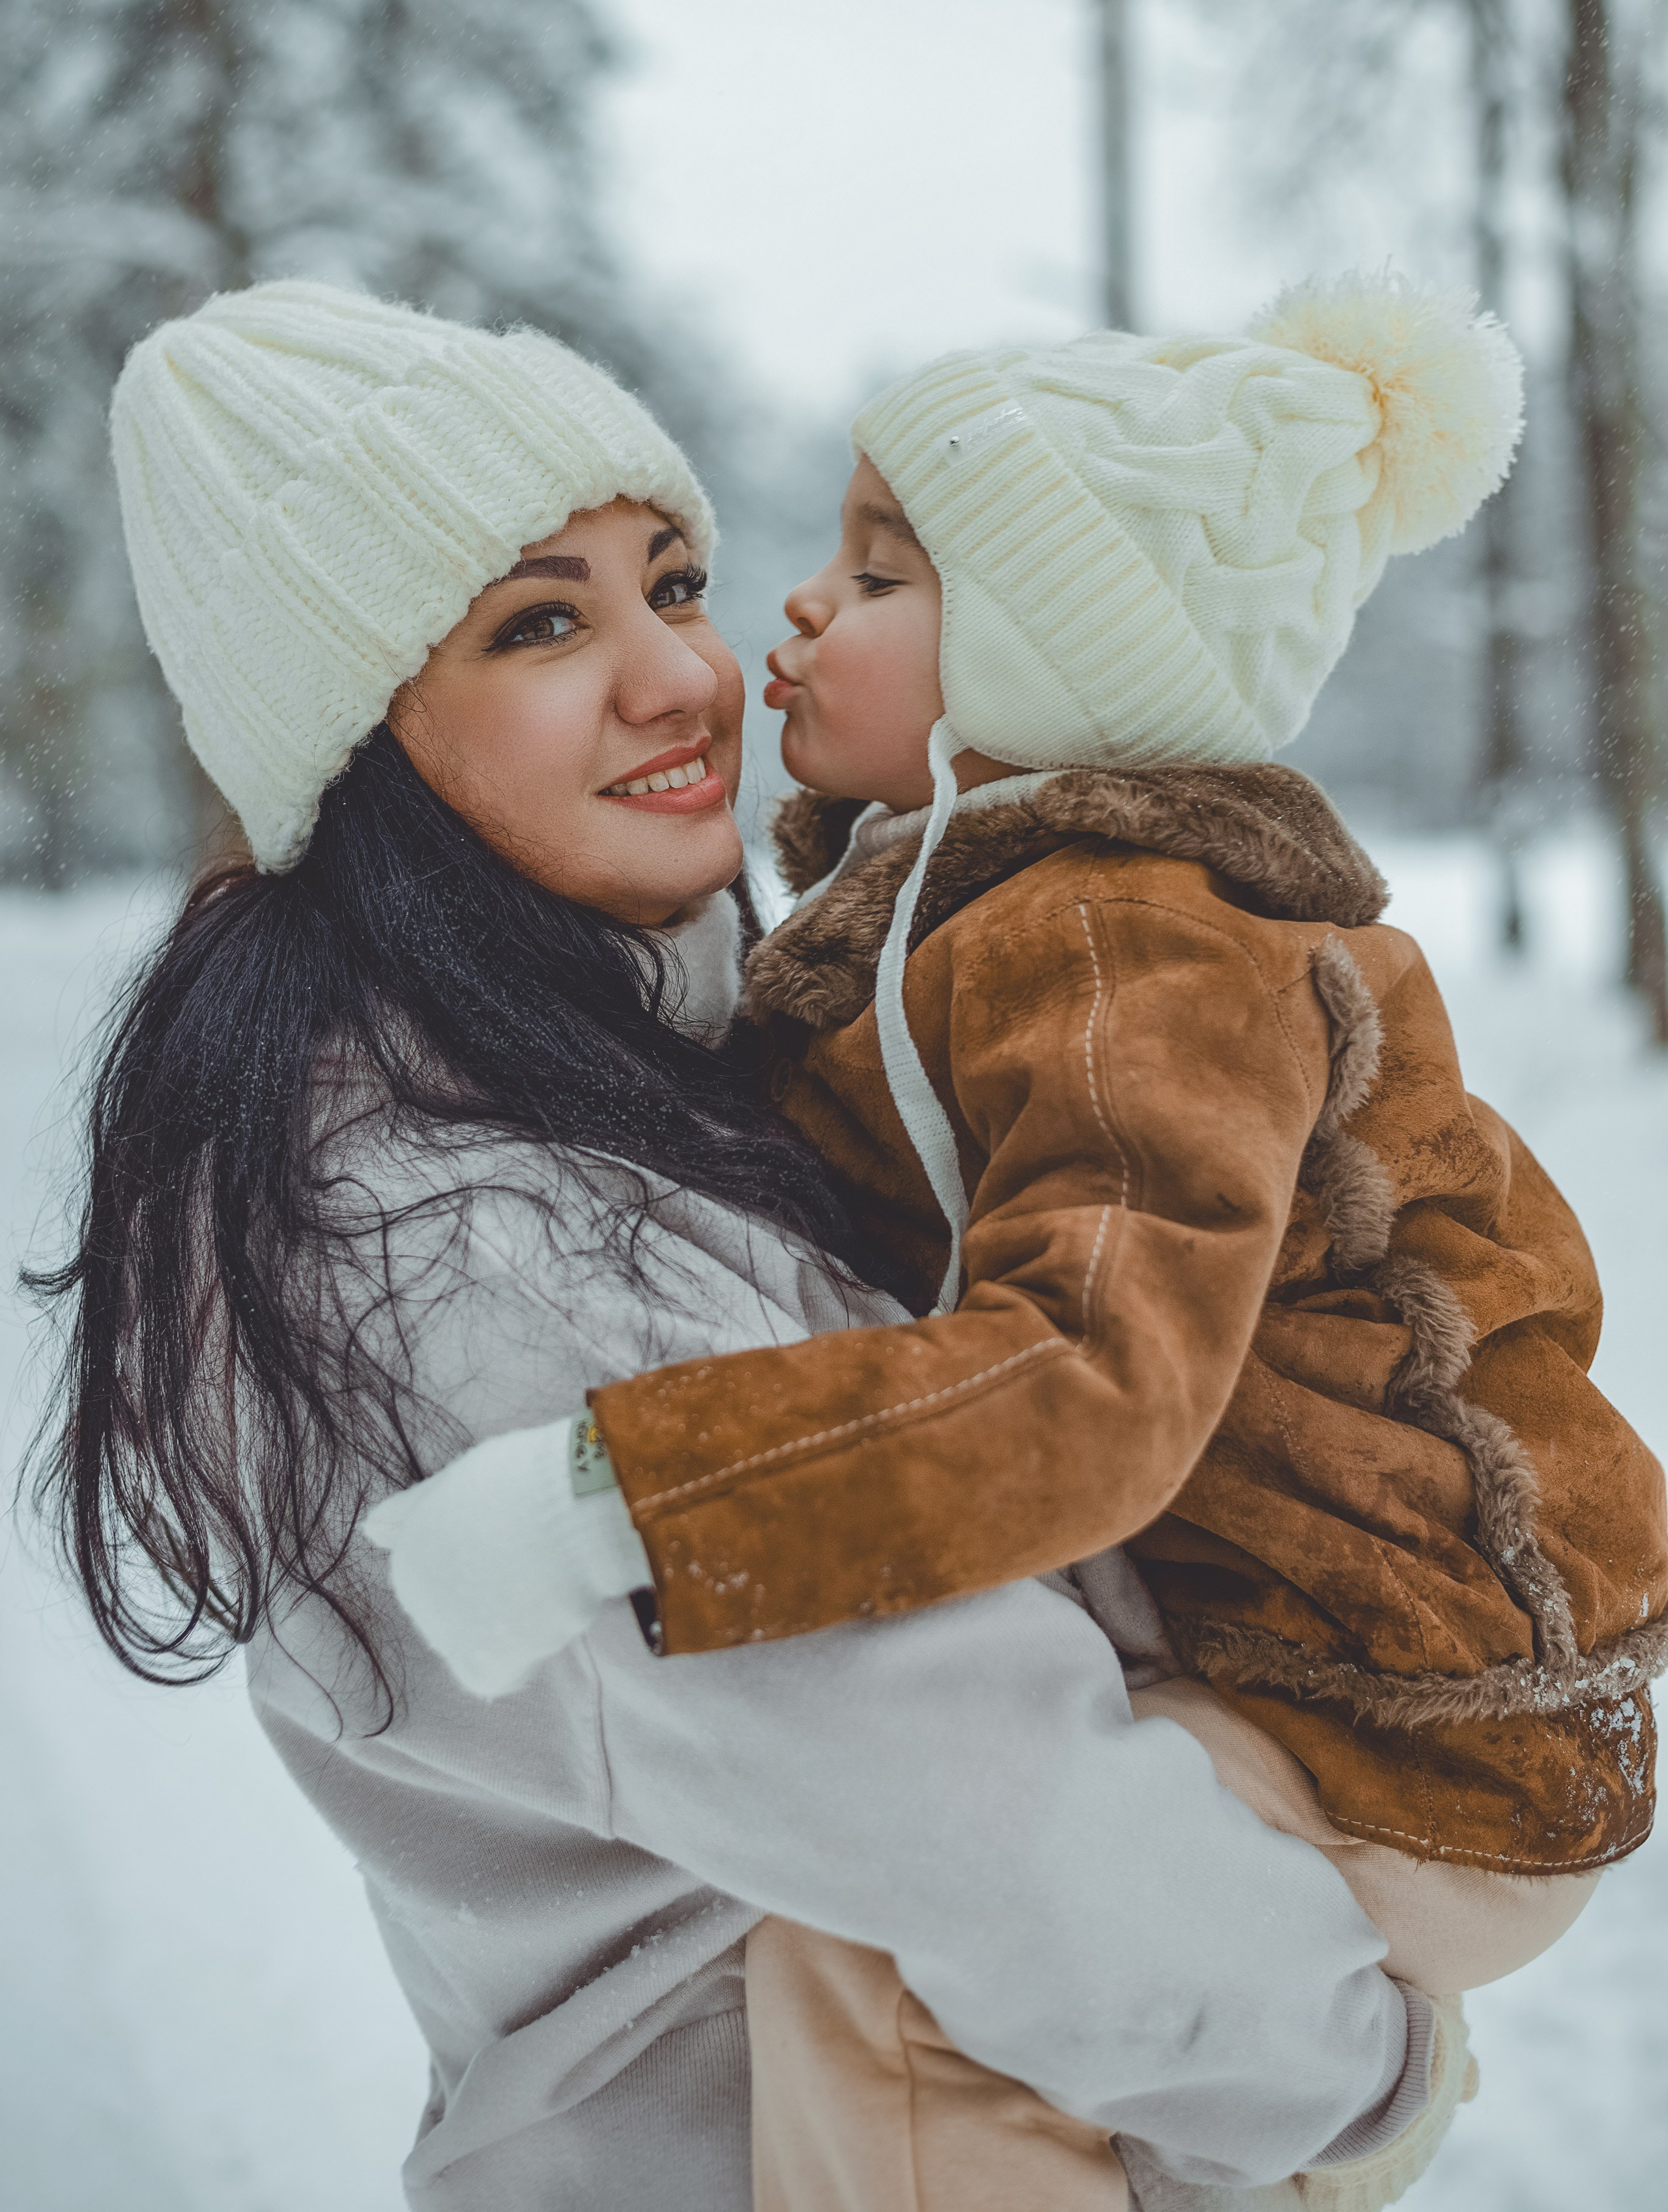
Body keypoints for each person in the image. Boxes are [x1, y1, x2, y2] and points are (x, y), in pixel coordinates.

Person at [29, 280, 1441, 2212]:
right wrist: (1357, 2061)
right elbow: (968, 1789)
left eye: (671, 581)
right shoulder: (470, 1246)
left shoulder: (622, 1083)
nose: (683, 676)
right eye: (542, 621)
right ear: (357, 730)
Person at [368, 274, 1668, 2207]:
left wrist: (615, 1496)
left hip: (1423, 1733)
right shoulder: (971, 918)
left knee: (888, 1958)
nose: (800, 605)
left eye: (882, 573)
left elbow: (1087, 1373)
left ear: (1044, 664)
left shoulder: (1123, 944)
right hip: (1344, 1682)